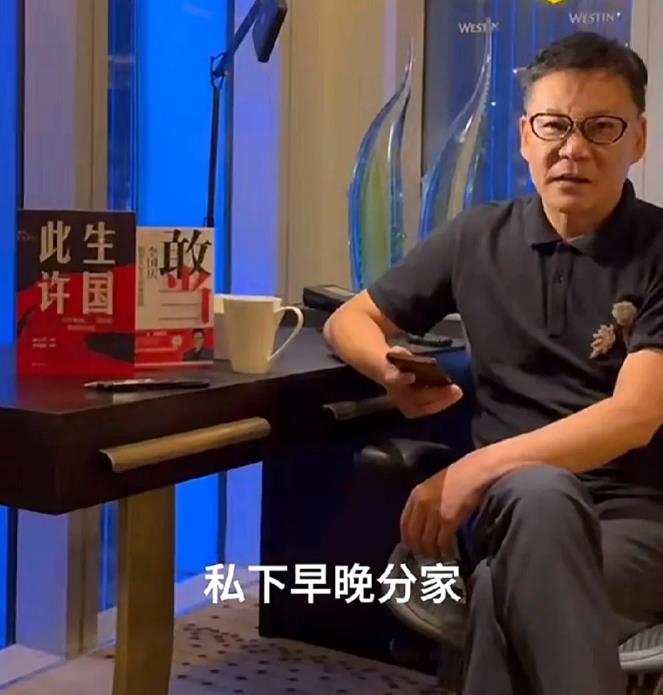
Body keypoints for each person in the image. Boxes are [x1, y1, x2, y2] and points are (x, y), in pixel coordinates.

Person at [323, 32, 663, 695]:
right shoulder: (477, 236)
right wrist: (389, 369)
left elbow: (634, 414)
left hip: (633, 524)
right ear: (524, 136)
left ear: (638, 140)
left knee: (497, 588)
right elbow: (349, 320)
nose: (573, 148)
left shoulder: (657, 250)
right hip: (505, 512)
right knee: (536, 498)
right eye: (554, 125)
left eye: (601, 127)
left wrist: (472, 469)